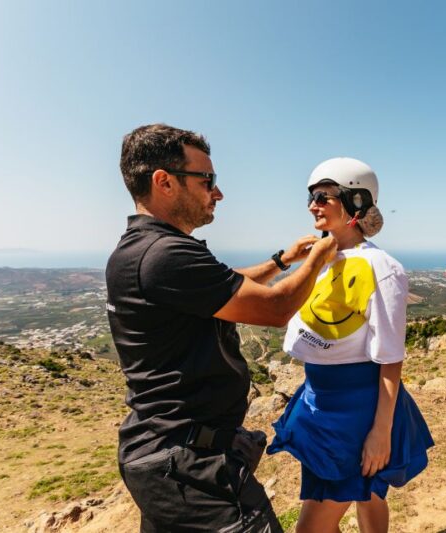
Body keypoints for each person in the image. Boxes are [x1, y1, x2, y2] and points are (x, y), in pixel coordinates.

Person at [106, 124, 337, 532]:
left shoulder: (144, 248)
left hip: (165, 454)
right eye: (207, 180)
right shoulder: (164, 255)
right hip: (189, 467)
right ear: (164, 182)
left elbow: (221, 285)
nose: (218, 193)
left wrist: (281, 262)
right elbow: (277, 308)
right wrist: (321, 256)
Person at [267, 157, 433, 533]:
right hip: (320, 400)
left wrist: (381, 431)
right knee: (367, 494)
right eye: (310, 197)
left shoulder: (381, 267)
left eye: (323, 197)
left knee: (312, 526)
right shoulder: (320, 259)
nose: (313, 206)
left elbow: (391, 357)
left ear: (356, 201)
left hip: (355, 410)